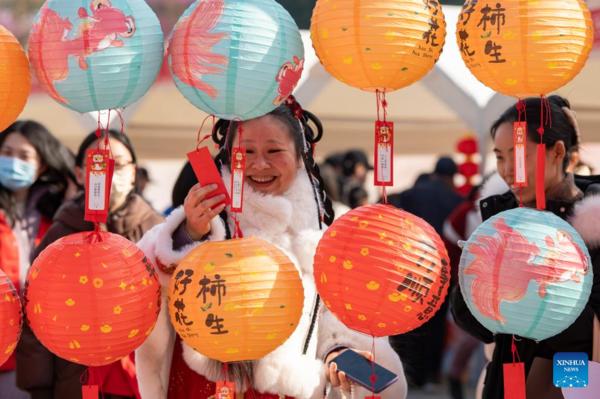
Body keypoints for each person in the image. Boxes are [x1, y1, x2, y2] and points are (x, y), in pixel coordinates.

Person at [135, 97, 407, 399]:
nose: (259, 163)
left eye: (274, 151)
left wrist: (338, 350)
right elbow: (152, 278)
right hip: (206, 385)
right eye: (246, 151)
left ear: (300, 155)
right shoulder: (204, 215)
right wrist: (190, 232)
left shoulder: (322, 232)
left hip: (290, 390)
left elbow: (333, 316)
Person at [451, 95, 600, 399]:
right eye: (500, 157)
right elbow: (473, 320)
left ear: (557, 152)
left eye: (518, 155)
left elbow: (588, 330)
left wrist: (541, 298)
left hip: (574, 380)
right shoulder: (498, 218)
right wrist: (474, 288)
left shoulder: (593, 221)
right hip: (507, 378)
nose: (507, 170)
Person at [17, 130, 164, 399]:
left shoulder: (156, 230)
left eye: (117, 164)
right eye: (98, 164)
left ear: (133, 172)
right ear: (79, 173)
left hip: (142, 378)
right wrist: (39, 385)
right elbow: (34, 308)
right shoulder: (62, 233)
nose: (108, 173)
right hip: (75, 376)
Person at [0, 120, 75, 398]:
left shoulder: (55, 212)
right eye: (6, 152)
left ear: (42, 165)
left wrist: (71, 198)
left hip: (40, 345)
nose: (12, 162)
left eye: (24, 156)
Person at [389, 157, 464, 390]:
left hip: (409, 268)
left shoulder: (413, 194)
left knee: (410, 323)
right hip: (441, 271)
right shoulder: (456, 199)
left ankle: (411, 375)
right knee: (437, 324)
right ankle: (432, 374)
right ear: (452, 177)